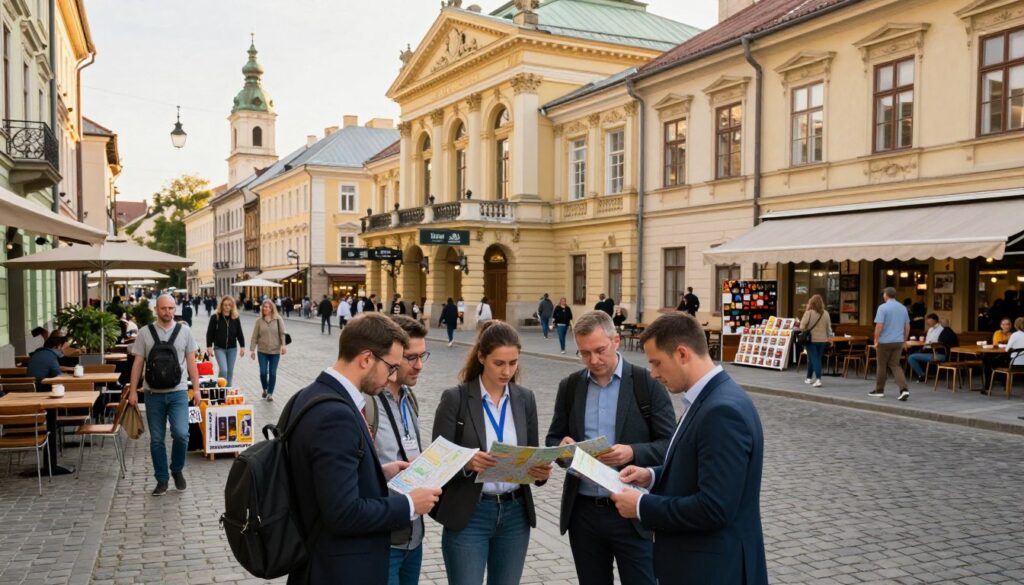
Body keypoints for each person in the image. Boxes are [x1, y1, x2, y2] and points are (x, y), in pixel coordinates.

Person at [609, 312, 768, 585]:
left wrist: (642, 506)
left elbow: (714, 507)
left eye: (657, 363)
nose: (654, 374)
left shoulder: (722, 410)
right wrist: (653, 475)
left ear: (682, 354)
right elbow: (699, 465)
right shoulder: (709, 397)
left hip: (713, 570)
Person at [285, 313, 441, 585]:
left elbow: (325, 478)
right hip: (338, 568)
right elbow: (343, 513)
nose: (393, 375)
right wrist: (408, 504)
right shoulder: (336, 415)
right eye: (392, 367)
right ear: (367, 359)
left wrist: (379, 472)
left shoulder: (310, 394)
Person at [545, 311, 675, 585]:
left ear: (615, 340)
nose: (593, 360)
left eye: (600, 350)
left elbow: (671, 446)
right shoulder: (570, 386)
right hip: (583, 513)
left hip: (631, 511)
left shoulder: (646, 383)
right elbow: (553, 438)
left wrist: (633, 452)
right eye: (585, 353)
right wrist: (563, 449)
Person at [431, 321, 551, 585]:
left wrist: (539, 472)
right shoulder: (456, 398)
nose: (507, 371)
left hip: (515, 513)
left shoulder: (525, 399)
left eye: (513, 362)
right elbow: (435, 463)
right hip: (470, 514)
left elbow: (530, 452)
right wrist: (467, 463)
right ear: (482, 357)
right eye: (499, 363)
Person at [367, 316, 430, 585]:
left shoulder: (409, 397)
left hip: (413, 534)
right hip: (383, 540)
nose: (419, 366)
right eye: (411, 358)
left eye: (422, 356)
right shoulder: (368, 404)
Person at [128, 294, 202, 497]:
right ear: (156, 310)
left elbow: (191, 362)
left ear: (175, 308)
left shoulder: (184, 331)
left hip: (178, 392)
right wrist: (133, 390)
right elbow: (138, 364)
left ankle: (176, 469)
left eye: (171, 308)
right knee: (157, 440)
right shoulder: (144, 333)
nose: (167, 312)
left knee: (181, 433)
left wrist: (196, 389)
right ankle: (161, 479)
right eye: (163, 308)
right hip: (153, 394)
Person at [870, 287, 911, 401]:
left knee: (881, 365)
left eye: (884, 294)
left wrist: (876, 340)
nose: (883, 296)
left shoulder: (882, 307)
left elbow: (879, 326)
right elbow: (907, 326)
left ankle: (879, 390)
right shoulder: (903, 308)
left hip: (884, 341)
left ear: (886, 295)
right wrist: (904, 340)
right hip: (898, 342)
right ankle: (904, 389)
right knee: (895, 365)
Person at [250, 299, 288, 401]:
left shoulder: (278, 319)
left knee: (272, 372)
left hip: (275, 351)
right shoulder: (259, 321)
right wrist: (252, 350)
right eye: (264, 307)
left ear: (271, 309)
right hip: (262, 351)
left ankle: (270, 393)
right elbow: (254, 336)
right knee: (263, 372)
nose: (265, 308)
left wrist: (283, 345)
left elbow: (282, 333)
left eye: (268, 307)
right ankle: (265, 389)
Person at [205, 296, 246, 387]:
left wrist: (242, 346)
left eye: (229, 305)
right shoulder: (215, 317)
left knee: (230, 372)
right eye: (225, 305)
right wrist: (209, 347)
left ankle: (226, 392)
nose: (227, 307)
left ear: (232, 306)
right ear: (221, 305)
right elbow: (210, 333)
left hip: (232, 349)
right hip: (219, 348)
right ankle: (221, 389)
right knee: (224, 370)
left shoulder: (235, 317)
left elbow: (239, 332)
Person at [799, 294, 831, 388]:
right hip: (823, 340)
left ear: (811, 302)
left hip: (811, 340)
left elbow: (802, 326)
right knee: (814, 359)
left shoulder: (808, 313)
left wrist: (806, 330)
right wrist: (829, 338)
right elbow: (828, 328)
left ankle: (818, 379)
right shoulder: (826, 313)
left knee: (814, 359)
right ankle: (808, 378)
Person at [908, 313, 945, 383]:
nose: (928, 322)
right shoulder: (930, 329)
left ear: (935, 320)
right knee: (911, 353)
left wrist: (927, 345)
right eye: (927, 321)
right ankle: (921, 373)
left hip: (934, 351)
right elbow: (927, 340)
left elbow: (938, 342)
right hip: (926, 349)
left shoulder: (941, 329)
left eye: (929, 321)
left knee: (911, 357)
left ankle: (922, 375)